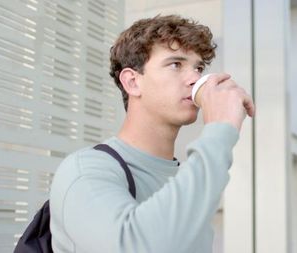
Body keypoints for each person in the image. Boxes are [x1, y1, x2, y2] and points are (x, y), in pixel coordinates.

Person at [49, 15, 255, 253]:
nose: (196, 79)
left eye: (198, 67)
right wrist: (220, 130)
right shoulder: (84, 170)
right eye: (175, 64)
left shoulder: (187, 178)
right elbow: (135, 246)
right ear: (132, 82)